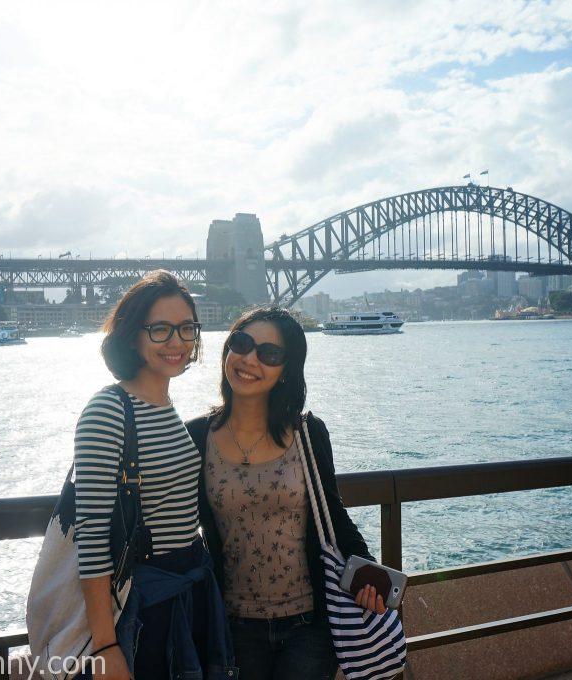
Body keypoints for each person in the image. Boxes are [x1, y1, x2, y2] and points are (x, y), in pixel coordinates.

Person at [186, 307, 386, 680]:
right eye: (241, 344)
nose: (249, 360)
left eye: (269, 354)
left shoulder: (308, 433)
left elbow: (334, 514)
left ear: (285, 371)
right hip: (232, 626)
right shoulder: (196, 436)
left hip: (309, 627)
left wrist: (369, 573)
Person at [73, 270, 235, 680]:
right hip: (144, 605)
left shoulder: (165, 405)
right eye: (160, 329)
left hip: (190, 588)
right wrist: (106, 646)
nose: (177, 342)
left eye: (186, 329)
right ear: (132, 335)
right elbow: (91, 536)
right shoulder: (108, 410)